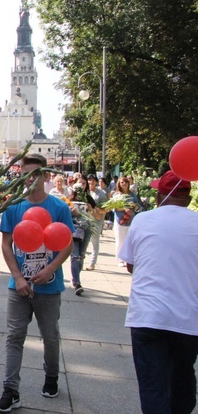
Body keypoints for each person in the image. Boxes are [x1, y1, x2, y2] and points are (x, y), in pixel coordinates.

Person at [0, 154, 74, 413]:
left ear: (44, 175)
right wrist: (17, 277)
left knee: (50, 336)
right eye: (24, 174)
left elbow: (67, 243)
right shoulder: (13, 206)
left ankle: (51, 377)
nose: (29, 179)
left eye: (34, 174)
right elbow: (6, 244)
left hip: (49, 287)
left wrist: (50, 268)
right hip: (18, 287)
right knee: (14, 336)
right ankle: (10, 390)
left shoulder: (59, 207)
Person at [119, 171, 198, 414]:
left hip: (148, 316)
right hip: (188, 319)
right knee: (183, 377)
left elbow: (130, 264)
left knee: (153, 385)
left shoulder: (143, 220)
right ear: (186, 196)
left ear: (162, 194)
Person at [112, 177, 139, 267]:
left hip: (131, 220)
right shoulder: (116, 195)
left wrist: (135, 207)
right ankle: (120, 259)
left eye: (126, 182)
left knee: (130, 241)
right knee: (120, 240)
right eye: (122, 182)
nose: (124, 183)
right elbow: (113, 208)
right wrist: (124, 208)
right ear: (119, 184)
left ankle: (129, 260)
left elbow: (138, 205)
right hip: (120, 220)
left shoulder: (132, 195)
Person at [85, 174, 108, 271]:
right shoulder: (84, 192)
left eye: (93, 180)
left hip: (96, 220)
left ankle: (92, 263)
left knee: (94, 242)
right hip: (85, 219)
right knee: (84, 242)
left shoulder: (101, 194)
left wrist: (94, 209)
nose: (91, 182)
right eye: (89, 180)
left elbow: (105, 209)